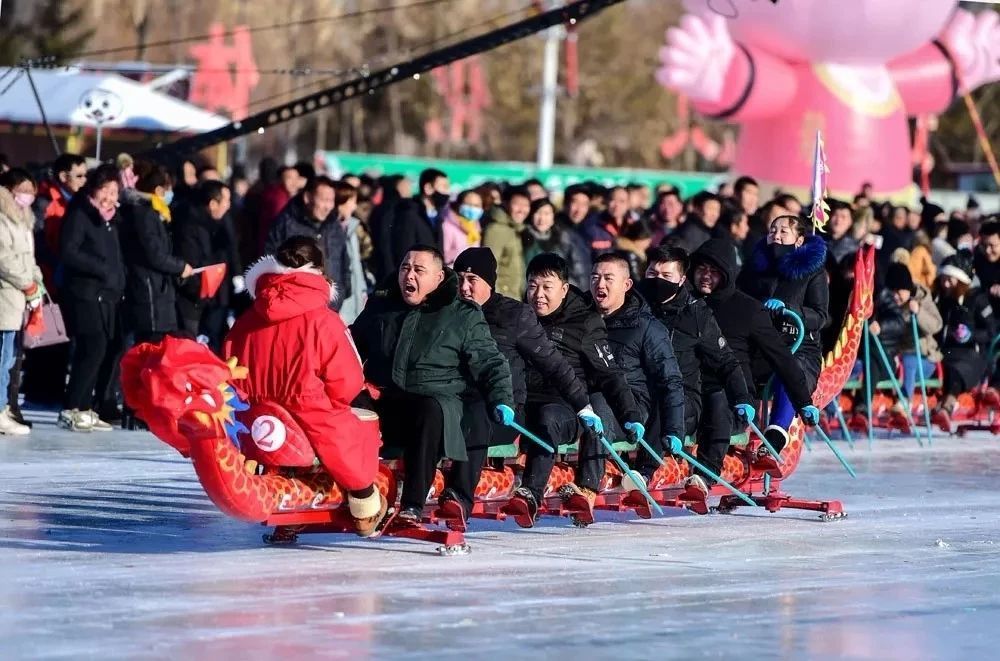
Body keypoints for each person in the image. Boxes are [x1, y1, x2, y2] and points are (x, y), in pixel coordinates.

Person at [223, 237, 389, 537]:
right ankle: (364, 504)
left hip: (258, 416)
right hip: (309, 412)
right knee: (354, 434)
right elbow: (347, 381)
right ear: (320, 272)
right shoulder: (324, 321)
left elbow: (230, 369)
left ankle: (289, 509)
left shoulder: (246, 321)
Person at [350, 245, 513, 524]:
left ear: (438, 278)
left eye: (418, 270)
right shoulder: (381, 306)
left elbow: (490, 362)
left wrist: (501, 399)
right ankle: (348, 490)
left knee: (428, 409)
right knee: (351, 405)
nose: (409, 275)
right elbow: (350, 347)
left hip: (434, 399)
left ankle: (413, 503)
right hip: (385, 396)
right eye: (405, 268)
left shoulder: (462, 314)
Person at [445, 247, 594, 527]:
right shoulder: (447, 313)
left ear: (489, 282)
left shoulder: (513, 316)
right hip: (454, 400)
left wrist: (582, 406)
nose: (464, 288)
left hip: (503, 410)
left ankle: (459, 499)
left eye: (472, 280)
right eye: (459, 279)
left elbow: (554, 364)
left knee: (479, 415)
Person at [505, 253, 644, 527]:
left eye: (547, 287)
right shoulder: (520, 316)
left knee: (548, 420)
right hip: (521, 399)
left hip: (565, 406)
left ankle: (530, 495)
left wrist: (630, 414)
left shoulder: (584, 322)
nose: (538, 295)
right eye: (532, 286)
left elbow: (610, 374)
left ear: (564, 288)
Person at [688, 239, 818, 478]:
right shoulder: (684, 305)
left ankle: (705, 475)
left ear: (726, 273)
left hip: (733, 398)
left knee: (717, 400)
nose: (706, 276)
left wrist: (804, 401)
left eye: (714, 271)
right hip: (687, 392)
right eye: (701, 269)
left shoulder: (747, 310)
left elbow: (782, 358)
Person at [635, 246, 753, 491]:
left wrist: (742, 397)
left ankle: (645, 473)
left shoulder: (696, 314)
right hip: (636, 391)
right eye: (652, 273)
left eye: (666, 276)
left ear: (681, 280)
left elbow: (726, 361)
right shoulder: (634, 302)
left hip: (683, 398)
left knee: (668, 401)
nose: (658, 281)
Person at [588, 253, 685, 496]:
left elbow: (669, 380)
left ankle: (589, 485)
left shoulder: (646, 327)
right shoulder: (584, 320)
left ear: (626, 285)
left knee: (598, 400)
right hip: (585, 403)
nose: (600, 284)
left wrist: (674, 429)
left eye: (608, 278)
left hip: (631, 411)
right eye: (595, 277)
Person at [737, 214, 828, 459]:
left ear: (798, 240)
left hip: (799, 346)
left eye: (783, 231)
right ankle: (733, 438)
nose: (775, 235)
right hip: (761, 344)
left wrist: (791, 309)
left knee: (790, 370)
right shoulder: (753, 272)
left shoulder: (812, 272)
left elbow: (821, 316)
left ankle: (775, 436)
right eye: (772, 230)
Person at [58, 165, 127, 432]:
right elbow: (69, 251)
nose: (110, 196)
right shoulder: (80, 213)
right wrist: (101, 268)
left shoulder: (109, 219)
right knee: (93, 346)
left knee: (102, 347)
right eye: (105, 190)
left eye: (114, 191)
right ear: (93, 189)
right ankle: (71, 406)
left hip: (105, 295)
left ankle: (85, 407)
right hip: (84, 292)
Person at [119, 163, 193, 344]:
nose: (170, 194)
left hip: (158, 291)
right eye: (168, 189)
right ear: (159, 190)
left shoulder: (151, 213)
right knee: (150, 347)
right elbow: (154, 254)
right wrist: (180, 267)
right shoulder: (143, 214)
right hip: (149, 293)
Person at [264, 176, 351, 312]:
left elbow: (344, 262)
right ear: (308, 198)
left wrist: (343, 292)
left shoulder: (335, 226)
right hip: (297, 308)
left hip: (331, 307)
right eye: (323, 200)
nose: (328, 206)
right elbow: (270, 262)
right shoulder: (286, 224)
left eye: (331, 201)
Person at [0, 169, 44, 435]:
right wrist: (25, 282)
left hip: (19, 298)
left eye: (31, 191)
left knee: (9, 359)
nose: (27, 196)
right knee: (2, 359)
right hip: (6, 294)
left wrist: (37, 283)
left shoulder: (23, 220)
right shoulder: (3, 219)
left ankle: (4, 406)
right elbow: (4, 259)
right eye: (22, 189)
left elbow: (29, 259)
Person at [932, 253, 998, 429]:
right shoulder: (943, 299)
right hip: (948, 351)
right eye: (943, 279)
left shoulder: (977, 299)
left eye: (950, 280)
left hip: (972, 354)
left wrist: (972, 335)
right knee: (947, 366)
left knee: (956, 370)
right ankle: (942, 407)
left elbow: (991, 330)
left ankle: (947, 406)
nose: (945, 284)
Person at [869, 264, 942, 415]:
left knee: (910, 359)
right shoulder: (887, 307)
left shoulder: (922, 298)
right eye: (892, 292)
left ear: (908, 289)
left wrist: (919, 312)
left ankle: (905, 401)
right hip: (898, 360)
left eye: (900, 291)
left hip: (925, 360)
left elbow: (936, 325)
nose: (896, 296)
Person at [173, 181, 234, 343]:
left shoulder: (216, 225)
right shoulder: (190, 226)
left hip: (211, 297)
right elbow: (192, 265)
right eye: (226, 201)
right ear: (213, 204)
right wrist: (201, 296)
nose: (229, 206)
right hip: (193, 301)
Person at [375, 168, 450, 274]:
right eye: (444, 187)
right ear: (428, 188)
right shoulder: (409, 213)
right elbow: (403, 251)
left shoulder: (437, 216)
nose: (447, 192)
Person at [523, 198, 590, 289]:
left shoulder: (562, 238)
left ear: (553, 217)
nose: (542, 218)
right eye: (538, 213)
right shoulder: (522, 237)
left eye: (547, 214)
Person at [481, 186, 530, 299]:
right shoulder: (497, 229)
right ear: (506, 204)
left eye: (526, 205)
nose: (522, 209)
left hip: (514, 297)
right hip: (502, 299)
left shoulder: (514, 228)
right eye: (517, 204)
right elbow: (489, 268)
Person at [330, 181, 368, 324]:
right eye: (352, 201)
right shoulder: (331, 230)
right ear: (340, 201)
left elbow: (356, 263)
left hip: (355, 294)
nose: (354, 206)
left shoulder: (351, 227)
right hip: (340, 298)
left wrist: (362, 290)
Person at [579, 186, 636, 259]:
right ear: (606, 201)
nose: (617, 205)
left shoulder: (634, 227)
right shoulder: (591, 226)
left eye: (622, 201)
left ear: (628, 204)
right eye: (612, 200)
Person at [441, 189, 483, 266]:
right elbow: (442, 256)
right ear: (459, 205)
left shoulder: (476, 227)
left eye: (476, 205)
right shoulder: (447, 226)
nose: (472, 208)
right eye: (468, 204)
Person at [825, 200, 859, 265]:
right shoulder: (819, 241)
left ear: (850, 222)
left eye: (843, 217)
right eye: (835, 215)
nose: (838, 220)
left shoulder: (855, 248)